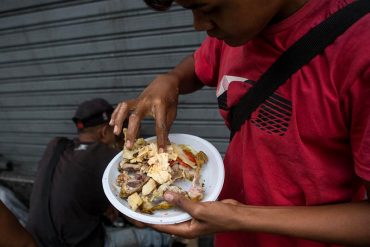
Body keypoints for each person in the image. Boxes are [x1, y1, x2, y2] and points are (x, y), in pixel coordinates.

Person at [109, 0, 370, 246]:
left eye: (207, 8)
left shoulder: (359, 52)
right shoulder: (239, 32)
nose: (198, 25)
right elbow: (200, 63)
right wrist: (172, 79)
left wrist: (239, 217)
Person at [26, 98, 172, 247]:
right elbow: (139, 221)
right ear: (104, 132)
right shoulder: (105, 156)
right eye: (115, 131)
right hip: (77, 243)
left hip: (34, 238)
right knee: (154, 236)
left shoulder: (56, 145)